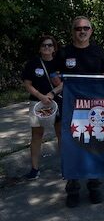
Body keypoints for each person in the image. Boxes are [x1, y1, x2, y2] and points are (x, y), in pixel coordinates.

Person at [57, 16, 104, 207]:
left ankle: (94, 185)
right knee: (72, 146)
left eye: (85, 28)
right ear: (72, 31)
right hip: (71, 108)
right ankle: (72, 189)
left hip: (95, 108)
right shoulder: (64, 52)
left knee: (94, 145)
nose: (82, 31)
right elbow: (55, 75)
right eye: (78, 28)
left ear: (91, 31)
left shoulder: (98, 51)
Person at [21, 35, 63, 179]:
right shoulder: (33, 63)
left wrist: (52, 93)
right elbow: (27, 84)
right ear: (39, 48)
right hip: (37, 103)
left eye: (50, 45)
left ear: (54, 47)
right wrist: (41, 96)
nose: (47, 47)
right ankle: (34, 169)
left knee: (61, 134)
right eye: (44, 45)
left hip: (58, 102)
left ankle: (65, 166)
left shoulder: (59, 63)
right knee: (37, 135)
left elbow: (65, 82)